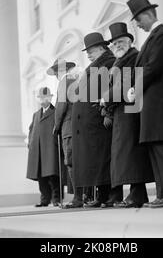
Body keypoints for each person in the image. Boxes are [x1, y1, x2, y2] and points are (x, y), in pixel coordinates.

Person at [126, 0, 163, 208]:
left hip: (159, 100)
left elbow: (152, 68)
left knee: (162, 146)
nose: (138, 25)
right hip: (151, 102)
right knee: (154, 147)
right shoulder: (153, 36)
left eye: (138, 20)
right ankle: (162, 193)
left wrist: (135, 88)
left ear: (148, 14)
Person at [100, 22, 154, 208]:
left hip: (131, 112)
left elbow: (124, 85)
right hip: (122, 112)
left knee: (131, 154)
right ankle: (137, 195)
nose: (117, 46)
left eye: (121, 42)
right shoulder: (120, 60)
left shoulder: (133, 57)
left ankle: (136, 196)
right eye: (114, 44)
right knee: (128, 154)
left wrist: (105, 99)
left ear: (130, 41)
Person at [71, 32, 116, 208]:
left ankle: (108, 195)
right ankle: (101, 195)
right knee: (95, 161)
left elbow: (112, 89)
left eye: (91, 50)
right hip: (88, 123)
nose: (88, 54)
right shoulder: (94, 66)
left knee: (102, 159)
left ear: (101, 47)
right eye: (87, 51)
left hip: (98, 120)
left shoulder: (108, 63)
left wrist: (107, 112)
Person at [48, 58, 85, 209]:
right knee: (80, 161)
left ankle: (78, 198)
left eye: (57, 72)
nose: (56, 75)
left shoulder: (64, 81)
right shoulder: (77, 79)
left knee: (71, 162)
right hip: (79, 125)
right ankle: (84, 195)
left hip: (68, 127)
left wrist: (56, 125)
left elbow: (61, 106)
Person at [26, 87, 61, 207]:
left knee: (53, 175)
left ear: (50, 98)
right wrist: (30, 142)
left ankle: (56, 199)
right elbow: (31, 129)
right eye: (40, 97)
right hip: (38, 150)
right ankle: (44, 199)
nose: (42, 100)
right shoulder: (36, 115)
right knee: (41, 176)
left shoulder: (55, 112)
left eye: (45, 97)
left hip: (50, 148)